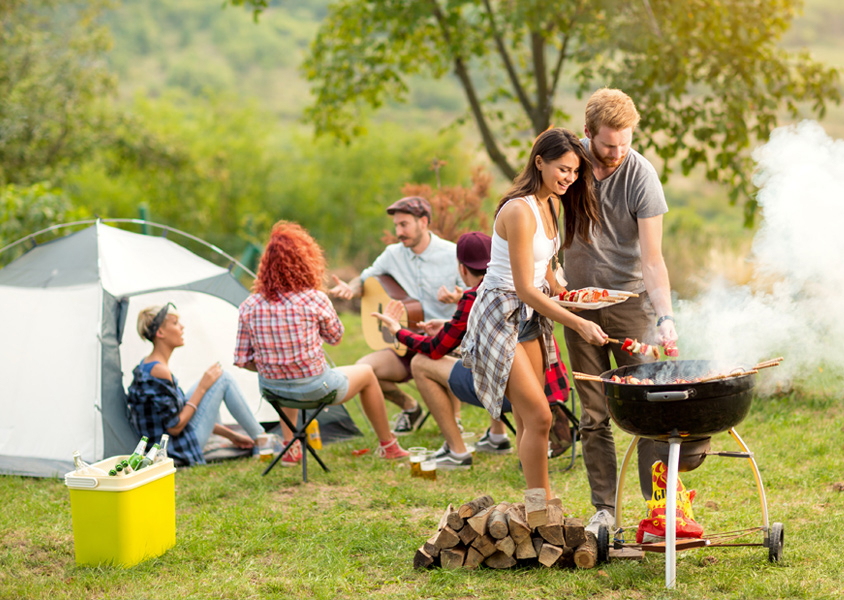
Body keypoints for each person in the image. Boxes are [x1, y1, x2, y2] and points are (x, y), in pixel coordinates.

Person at [461, 127, 608, 499]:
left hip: (529, 317)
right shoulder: (518, 210)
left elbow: (542, 269)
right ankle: (540, 506)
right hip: (500, 315)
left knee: (532, 418)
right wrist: (577, 321)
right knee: (542, 417)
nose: (569, 178)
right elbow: (524, 286)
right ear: (539, 162)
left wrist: (569, 296)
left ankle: (535, 503)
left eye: (575, 172)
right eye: (563, 169)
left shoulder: (551, 204)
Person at [562, 88, 680, 535]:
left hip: (633, 305)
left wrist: (665, 316)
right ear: (588, 132)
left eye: (625, 143)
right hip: (579, 307)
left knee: (647, 410)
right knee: (593, 415)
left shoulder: (641, 175)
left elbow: (653, 258)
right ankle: (605, 512)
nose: (616, 153)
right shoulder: (568, 168)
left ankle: (659, 511)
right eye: (608, 144)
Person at [234, 220, 409, 463]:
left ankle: (291, 447)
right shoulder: (315, 299)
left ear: (266, 266)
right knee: (368, 374)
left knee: (285, 371)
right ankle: (389, 445)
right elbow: (336, 338)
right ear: (306, 261)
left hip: (272, 389)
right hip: (316, 388)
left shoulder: (249, 305)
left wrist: (272, 362)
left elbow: (243, 361)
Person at [372, 232, 512, 470]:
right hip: (530, 387)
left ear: (462, 269)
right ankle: (497, 437)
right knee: (492, 353)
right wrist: (446, 326)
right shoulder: (511, 287)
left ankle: (457, 452)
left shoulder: (472, 297)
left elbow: (435, 349)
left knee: (421, 363)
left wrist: (398, 331)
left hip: (500, 392)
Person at [329, 196, 463, 435]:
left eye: (404, 225)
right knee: (364, 370)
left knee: (441, 368)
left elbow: (472, 295)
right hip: (406, 340)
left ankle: (454, 421)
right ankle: (410, 407)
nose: (399, 232)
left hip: (443, 341)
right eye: (396, 226)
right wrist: (351, 288)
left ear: (423, 222)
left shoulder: (452, 253)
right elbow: (366, 279)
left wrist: (456, 297)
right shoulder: (393, 254)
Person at [126, 303, 268, 467]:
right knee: (223, 379)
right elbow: (175, 427)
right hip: (174, 448)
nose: (182, 327)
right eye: (175, 323)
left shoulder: (148, 365)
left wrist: (231, 435)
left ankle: (259, 438)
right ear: (160, 332)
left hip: (168, 441)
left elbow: (179, 412)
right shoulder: (159, 371)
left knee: (215, 379)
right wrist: (202, 387)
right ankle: (263, 441)